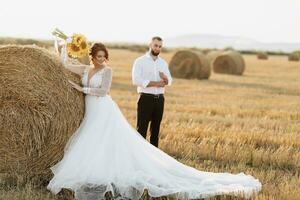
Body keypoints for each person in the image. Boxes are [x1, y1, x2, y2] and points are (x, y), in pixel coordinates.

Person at [47, 41, 262, 200]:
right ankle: (92, 171)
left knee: (105, 140)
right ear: (92, 56)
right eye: (98, 56)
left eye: (104, 56)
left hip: (102, 108)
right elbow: (65, 64)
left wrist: (80, 88)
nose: (102, 60)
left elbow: (103, 91)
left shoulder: (108, 71)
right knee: (91, 141)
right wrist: (65, 46)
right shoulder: (87, 69)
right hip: (90, 109)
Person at [132, 36, 172, 147]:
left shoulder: (163, 63)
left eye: (160, 46)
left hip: (160, 99)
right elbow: (136, 80)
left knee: (155, 131)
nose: (157, 48)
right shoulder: (140, 61)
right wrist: (156, 83)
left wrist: (166, 79)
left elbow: (169, 80)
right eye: (155, 45)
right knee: (141, 130)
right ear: (150, 45)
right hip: (145, 98)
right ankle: (139, 155)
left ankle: (154, 158)